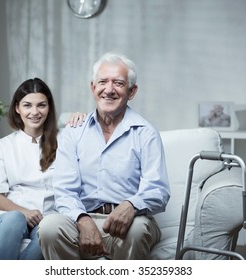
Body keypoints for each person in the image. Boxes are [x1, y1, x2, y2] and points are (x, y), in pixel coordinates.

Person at [38, 53, 170, 260]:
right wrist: (83, 220)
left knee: (137, 229)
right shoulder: (74, 131)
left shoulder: (146, 132)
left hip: (131, 220)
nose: (109, 90)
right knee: (49, 227)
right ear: (93, 87)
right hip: (84, 217)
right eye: (102, 82)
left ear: (132, 91)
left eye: (118, 83)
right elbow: (64, 190)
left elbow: (158, 190)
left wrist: (131, 205)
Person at [0, 77, 84, 259]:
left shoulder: (64, 140)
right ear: (17, 108)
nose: (35, 112)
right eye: (27, 105)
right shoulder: (5, 145)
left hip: (46, 219)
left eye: (41, 105)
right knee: (16, 219)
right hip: (7, 218)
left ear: (49, 108)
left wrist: (82, 119)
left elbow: (92, 138)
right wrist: (24, 212)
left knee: (50, 232)